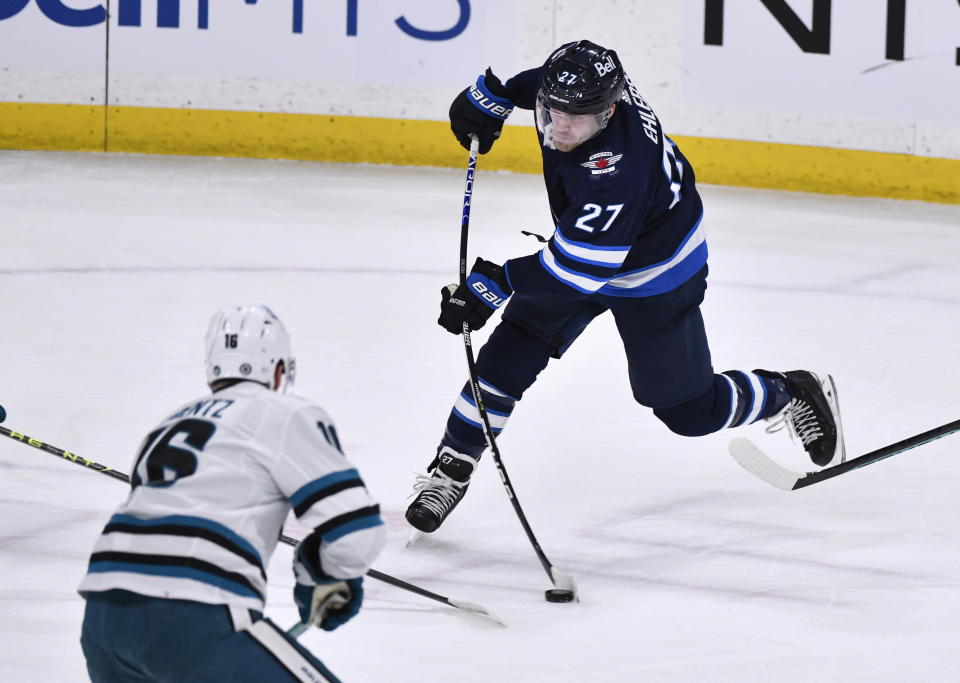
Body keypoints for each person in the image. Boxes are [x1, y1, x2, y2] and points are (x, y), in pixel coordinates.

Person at [406, 40, 845, 533]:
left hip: (656, 276)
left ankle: (787, 391)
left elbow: (578, 272)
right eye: (552, 111)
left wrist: (496, 283)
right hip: (588, 248)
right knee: (508, 355)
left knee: (689, 412)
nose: (561, 127)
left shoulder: (616, 170)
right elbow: (547, 84)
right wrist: (494, 95)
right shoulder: (576, 96)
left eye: (579, 118)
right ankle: (452, 466)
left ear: (611, 109)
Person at [78, 306, 386, 682]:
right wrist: (321, 575)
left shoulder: (169, 422)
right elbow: (356, 537)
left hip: (103, 622)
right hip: (191, 616)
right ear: (277, 368)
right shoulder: (284, 412)